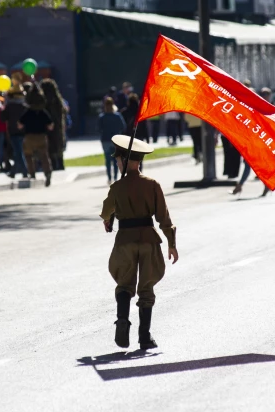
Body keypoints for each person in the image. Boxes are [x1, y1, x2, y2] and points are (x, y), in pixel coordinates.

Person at [100, 135, 178, 350]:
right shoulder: (152, 185)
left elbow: (106, 211)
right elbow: (163, 217)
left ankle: (122, 321)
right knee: (146, 286)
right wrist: (171, 243)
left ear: (124, 160)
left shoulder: (117, 187)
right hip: (148, 240)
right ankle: (144, 336)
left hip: (125, 240)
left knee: (124, 283)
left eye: (118, 159)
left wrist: (108, 219)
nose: (116, 162)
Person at [18, 86, 54, 185]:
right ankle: (47, 173)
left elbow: (20, 125)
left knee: (28, 155)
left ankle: (32, 173)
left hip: (29, 136)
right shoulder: (43, 112)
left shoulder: (27, 112)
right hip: (41, 136)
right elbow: (50, 126)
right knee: (44, 156)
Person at [1, 86, 28, 179]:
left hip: (13, 132)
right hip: (22, 132)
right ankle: (16, 171)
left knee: (18, 152)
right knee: (18, 152)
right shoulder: (24, 107)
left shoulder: (9, 107)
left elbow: (2, 118)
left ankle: (23, 171)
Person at [40, 79, 67, 171]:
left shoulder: (44, 101)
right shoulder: (58, 100)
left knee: (50, 145)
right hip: (59, 126)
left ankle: (54, 164)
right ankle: (61, 163)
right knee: (58, 143)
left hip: (47, 125)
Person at [98, 97, 126, 185]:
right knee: (116, 160)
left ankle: (109, 178)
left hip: (105, 139)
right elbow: (123, 126)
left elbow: (98, 128)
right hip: (115, 140)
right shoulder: (117, 116)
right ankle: (115, 177)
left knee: (107, 159)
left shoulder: (102, 117)